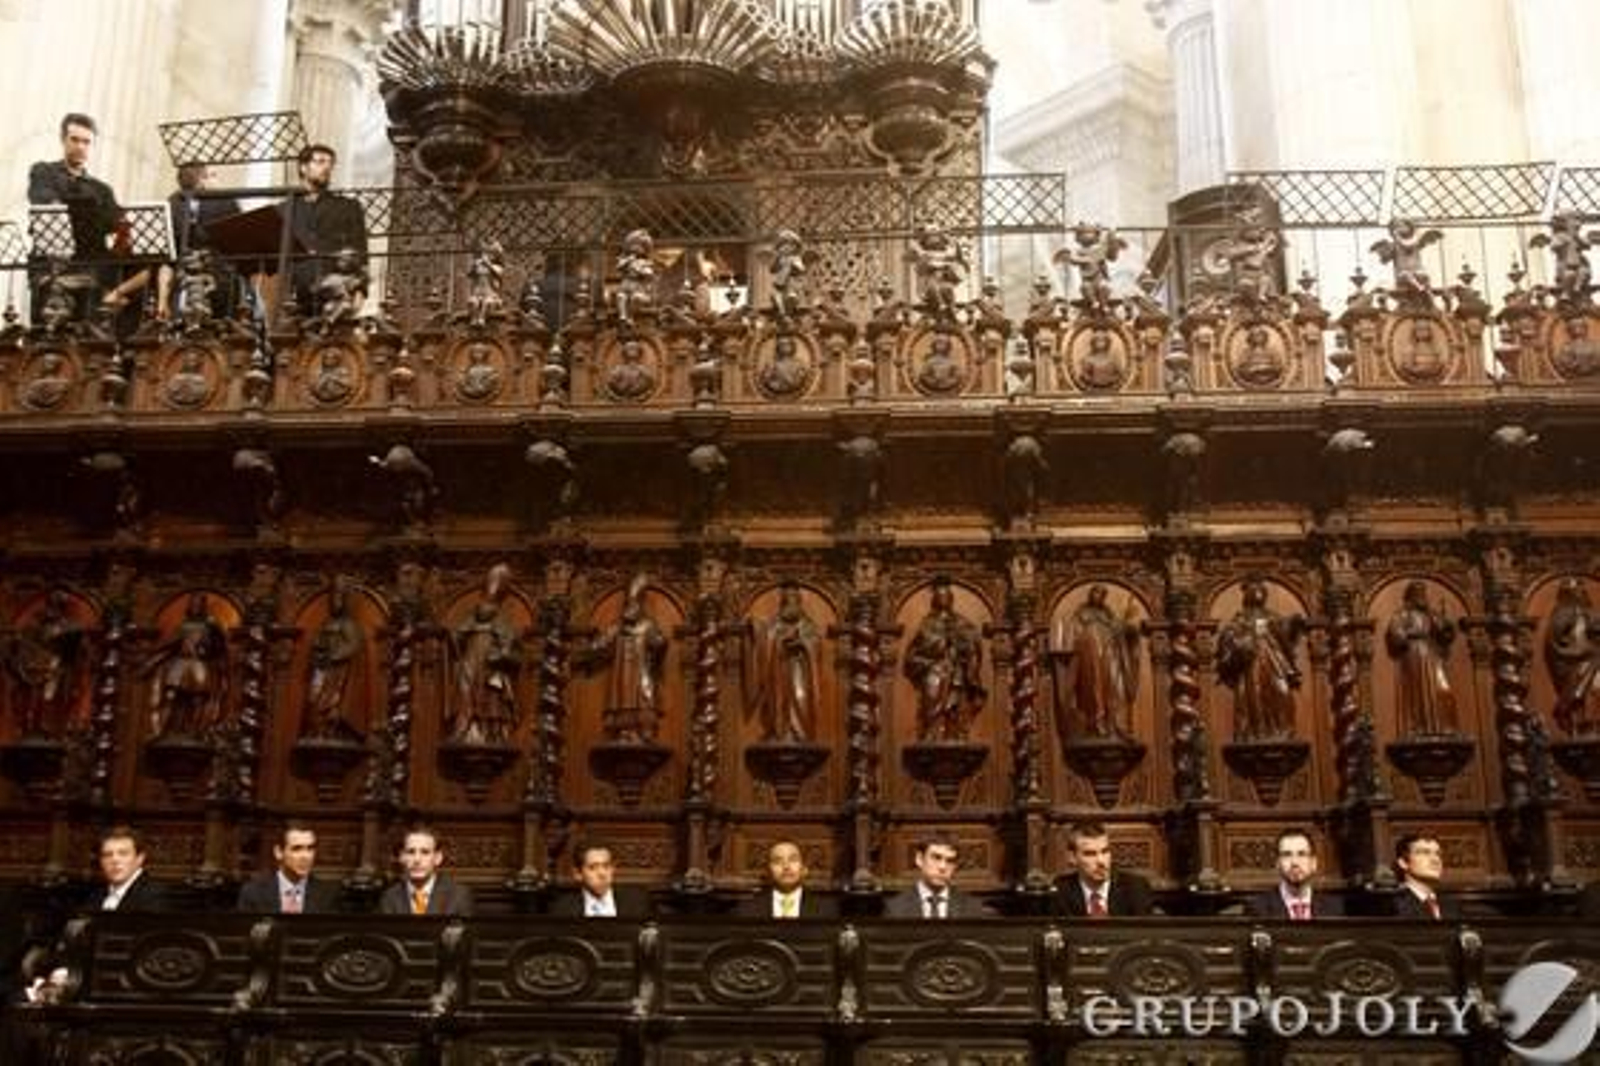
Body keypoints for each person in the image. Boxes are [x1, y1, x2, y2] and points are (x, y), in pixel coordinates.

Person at [27, 112, 144, 324]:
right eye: (75, 140)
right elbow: (43, 199)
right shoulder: (44, 171)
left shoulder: (102, 189)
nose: (81, 146)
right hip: (52, 261)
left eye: (86, 142)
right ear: (63, 139)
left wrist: (125, 229)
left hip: (92, 262)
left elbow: (117, 222)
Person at [1215, 578, 1305, 740]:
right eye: (1254, 589)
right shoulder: (1241, 619)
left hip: (1275, 664)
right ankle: (1257, 732)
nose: (1258, 593)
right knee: (1253, 698)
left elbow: (1285, 635)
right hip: (1251, 665)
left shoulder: (1272, 616)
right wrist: (1241, 645)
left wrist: (1294, 624)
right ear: (1247, 594)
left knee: (1282, 692)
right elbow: (1228, 638)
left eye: (1261, 589)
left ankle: (1283, 731)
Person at [285, 143, 367, 316]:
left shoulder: (348, 206)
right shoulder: (285, 209)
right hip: (292, 295)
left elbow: (360, 249)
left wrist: (360, 290)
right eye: (320, 162)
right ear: (303, 167)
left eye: (330, 163)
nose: (327, 168)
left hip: (334, 292)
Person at [584, 575, 669, 743]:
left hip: (642, 673)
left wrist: (659, 642)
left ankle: (643, 732)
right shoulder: (618, 626)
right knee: (623, 700)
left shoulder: (647, 625)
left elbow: (660, 643)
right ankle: (624, 732)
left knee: (644, 700)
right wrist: (585, 650)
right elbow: (602, 643)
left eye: (635, 605)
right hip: (623, 675)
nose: (632, 609)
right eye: (630, 605)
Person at [1051, 584, 1141, 739]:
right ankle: (1096, 723)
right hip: (1089, 659)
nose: (1098, 596)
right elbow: (1072, 637)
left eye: (1101, 593)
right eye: (1095, 592)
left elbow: (1122, 631)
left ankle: (1114, 724)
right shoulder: (1081, 614)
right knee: (1093, 687)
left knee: (1114, 688)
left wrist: (1126, 630)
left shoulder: (1109, 615)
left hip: (1111, 656)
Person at [902, 579, 986, 742]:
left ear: (951, 599)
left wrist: (963, 646)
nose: (943, 599)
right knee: (931, 702)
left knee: (955, 705)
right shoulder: (926, 624)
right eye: (940, 596)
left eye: (947, 595)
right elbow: (911, 656)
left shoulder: (961, 623)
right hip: (933, 671)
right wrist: (936, 648)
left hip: (956, 672)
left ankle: (955, 734)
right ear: (935, 600)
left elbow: (974, 644)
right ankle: (931, 734)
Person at [448, 564, 521, 745]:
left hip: (491, 669)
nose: (485, 609)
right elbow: (457, 637)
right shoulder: (471, 621)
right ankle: (465, 730)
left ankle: (492, 734)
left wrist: (501, 656)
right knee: (465, 695)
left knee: (492, 700)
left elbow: (511, 651)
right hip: (471, 664)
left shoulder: (503, 624)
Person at [744, 583, 823, 743]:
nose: (790, 602)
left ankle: (800, 732)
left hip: (800, 671)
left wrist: (802, 643)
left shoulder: (808, 625)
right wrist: (758, 629)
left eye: (794, 598)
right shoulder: (775, 624)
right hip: (778, 671)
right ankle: (779, 731)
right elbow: (765, 637)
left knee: (800, 699)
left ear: (800, 603)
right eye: (787, 600)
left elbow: (816, 645)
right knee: (778, 698)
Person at [145, 592, 230, 738]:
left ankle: (196, 732)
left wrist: (215, 629)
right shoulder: (184, 625)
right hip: (181, 662)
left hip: (199, 662)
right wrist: (151, 655)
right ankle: (160, 731)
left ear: (203, 607)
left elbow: (220, 646)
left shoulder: (210, 624)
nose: (195, 606)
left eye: (198, 604)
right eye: (193, 604)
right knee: (171, 695)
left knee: (198, 698)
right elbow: (170, 643)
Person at [164, 162, 242, 321]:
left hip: (185, 279)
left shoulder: (172, 202)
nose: (217, 180)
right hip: (216, 279)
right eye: (212, 176)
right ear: (201, 181)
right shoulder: (225, 201)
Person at [4, 589, 84, 737]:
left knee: (53, 699)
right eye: (51, 605)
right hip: (38, 670)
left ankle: (52, 729)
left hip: (57, 668)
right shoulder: (36, 625)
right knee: (35, 700)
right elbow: (24, 647)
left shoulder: (70, 627)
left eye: (58, 606)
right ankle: (33, 728)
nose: (52, 610)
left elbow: (73, 648)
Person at [1384, 580, 1460, 735]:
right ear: (1411, 596)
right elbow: (1395, 633)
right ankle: (1418, 727)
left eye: (1423, 593)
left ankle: (1442, 726)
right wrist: (1410, 635)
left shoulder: (1432, 614)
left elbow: (1446, 635)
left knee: (1443, 690)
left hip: (1433, 654)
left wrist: (1447, 625)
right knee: (1418, 691)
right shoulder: (1403, 614)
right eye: (1417, 593)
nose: (1421, 596)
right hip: (1414, 654)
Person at [303, 578, 366, 740]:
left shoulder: (349, 624)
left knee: (332, 702)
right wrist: (318, 651)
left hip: (338, 672)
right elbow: (317, 644)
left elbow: (353, 645)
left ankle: (332, 730)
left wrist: (333, 654)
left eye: (339, 596)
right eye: (333, 596)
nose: (335, 601)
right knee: (314, 699)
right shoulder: (326, 623)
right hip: (323, 669)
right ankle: (317, 729)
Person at [1053, 821, 1154, 918]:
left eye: (1105, 851)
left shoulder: (1135, 888)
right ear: (1072, 858)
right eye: (1090, 854)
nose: (1101, 861)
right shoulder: (1060, 891)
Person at [236, 823, 341, 915]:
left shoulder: (329, 894)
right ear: (279, 852)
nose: (306, 856)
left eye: (310, 848)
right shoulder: (253, 893)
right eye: (297, 849)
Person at [883, 833, 989, 918]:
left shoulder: (972, 908)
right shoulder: (896, 908)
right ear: (919, 859)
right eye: (936, 857)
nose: (943, 867)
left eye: (950, 861)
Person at [1245, 828, 1342, 919]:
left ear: (1313, 863)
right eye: (1287, 855)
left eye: (1302, 854)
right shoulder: (1258, 909)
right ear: (1277, 864)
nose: (1294, 862)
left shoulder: (1334, 908)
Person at [1545, 577, 1600, 736]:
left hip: (1593, 659)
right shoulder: (1563, 612)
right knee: (1586, 690)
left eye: (1583, 591)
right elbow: (1556, 642)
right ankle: (1584, 724)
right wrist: (1582, 650)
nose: (1582, 593)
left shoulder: (1587, 612)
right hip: (1577, 663)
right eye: (1578, 590)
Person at [379, 827, 474, 916]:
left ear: (438, 858)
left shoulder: (458, 895)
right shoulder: (389, 897)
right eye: (411, 852)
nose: (417, 860)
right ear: (402, 857)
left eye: (425, 852)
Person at [736, 840, 837, 918]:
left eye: (793, 859)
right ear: (768, 871)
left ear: (804, 869)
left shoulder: (826, 909)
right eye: (777, 861)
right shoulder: (747, 909)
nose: (786, 866)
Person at [548, 841, 650, 918]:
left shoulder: (637, 901)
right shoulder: (562, 909)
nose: (602, 874)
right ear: (578, 874)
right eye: (593, 867)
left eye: (606, 866)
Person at [1391, 831, 1459, 920]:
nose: (1435, 860)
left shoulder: (1452, 905)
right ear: (1403, 863)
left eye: (1438, 854)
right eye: (1425, 853)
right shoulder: (1392, 905)